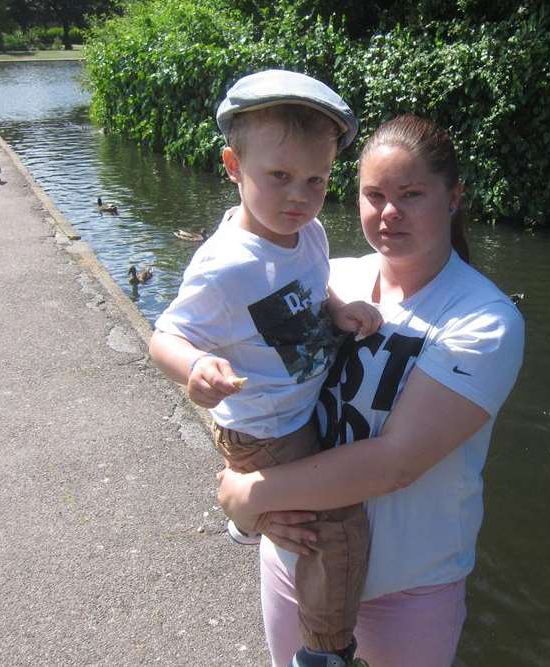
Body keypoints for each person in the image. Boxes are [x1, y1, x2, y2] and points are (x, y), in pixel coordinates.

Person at [217, 114, 525, 667]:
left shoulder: (484, 321)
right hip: (298, 561)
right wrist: (251, 510)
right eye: (373, 194)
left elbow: (396, 463)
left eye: (411, 194)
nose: (388, 213)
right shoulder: (329, 278)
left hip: (408, 590)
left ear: (453, 198)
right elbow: (258, 393)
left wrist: (252, 495)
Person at [148, 70, 382, 667]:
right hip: (263, 428)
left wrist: (337, 306)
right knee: (338, 526)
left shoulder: (308, 234)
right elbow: (164, 336)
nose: (298, 197)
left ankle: (249, 517)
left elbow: (311, 284)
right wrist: (197, 365)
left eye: (316, 180)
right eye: (278, 177)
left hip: (299, 407)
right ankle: (325, 650)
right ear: (233, 166)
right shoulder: (225, 265)